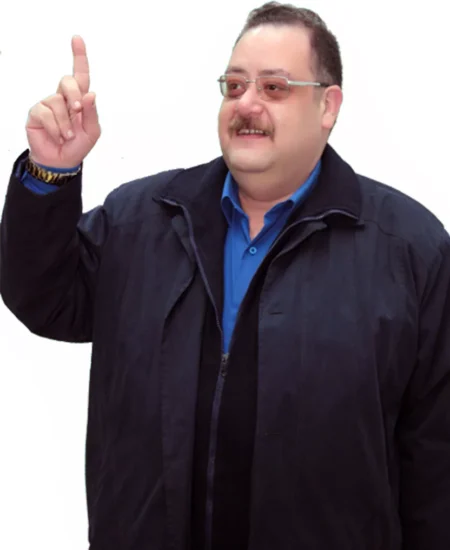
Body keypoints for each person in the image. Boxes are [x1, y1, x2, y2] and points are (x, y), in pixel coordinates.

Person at [1, 2, 450, 549]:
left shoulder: (409, 250)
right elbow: (44, 298)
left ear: (327, 106)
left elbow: (435, 458)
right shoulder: (141, 221)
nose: (247, 104)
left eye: (274, 88)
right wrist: (51, 172)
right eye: (234, 86)